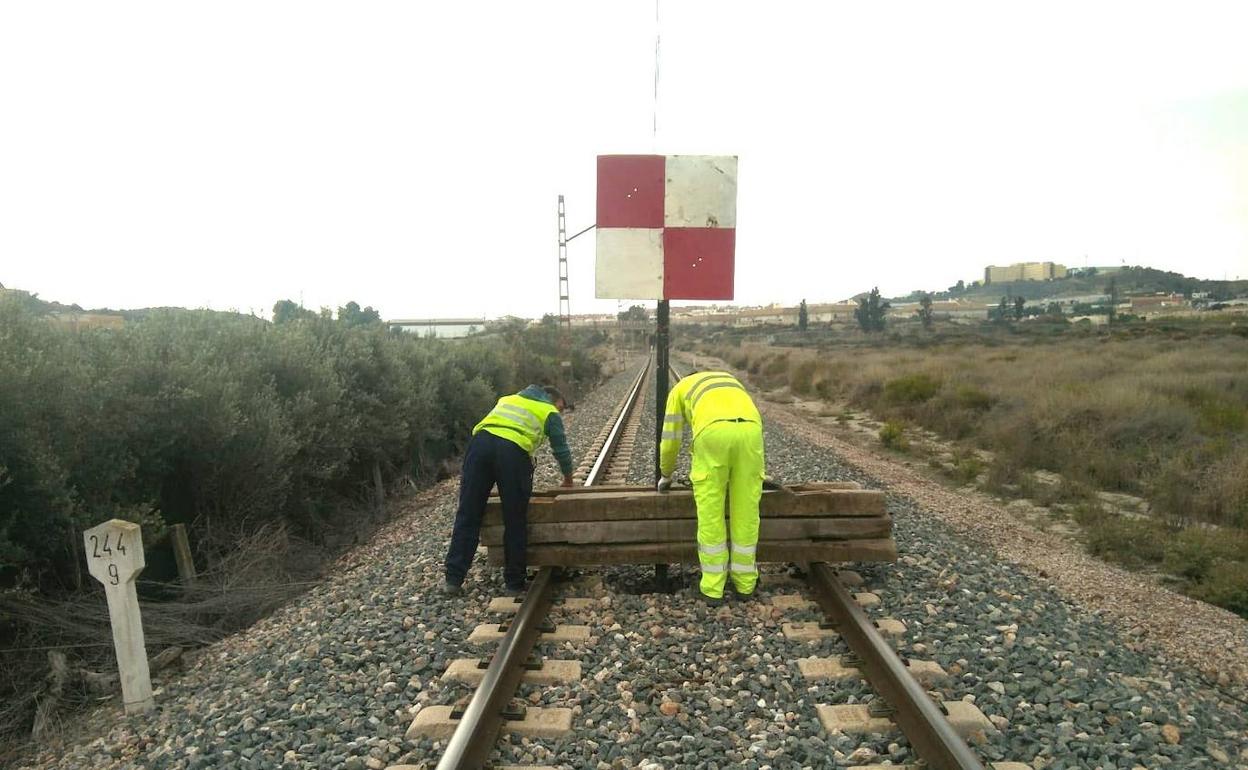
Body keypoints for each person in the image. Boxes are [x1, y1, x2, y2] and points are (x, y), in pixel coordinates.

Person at [443, 384, 574, 596]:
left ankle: (453, 580)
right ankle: (514, 583)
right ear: (552, 399)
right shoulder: (549, 411)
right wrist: (568, 479)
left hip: (479, 447)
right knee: (514, 518)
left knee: (468, 513)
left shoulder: (508, 399)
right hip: (512, 453)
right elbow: (561, 449)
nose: (560, 412)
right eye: (561, 408)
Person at [657, 370, 764, 603]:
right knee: (747, 512)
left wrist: (666, 474)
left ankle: (713, 588)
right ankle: (745, 585)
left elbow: (670, 440)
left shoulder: (680, 389)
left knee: (711, 513)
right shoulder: (729, 378)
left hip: (713, 434)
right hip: (751, 431)